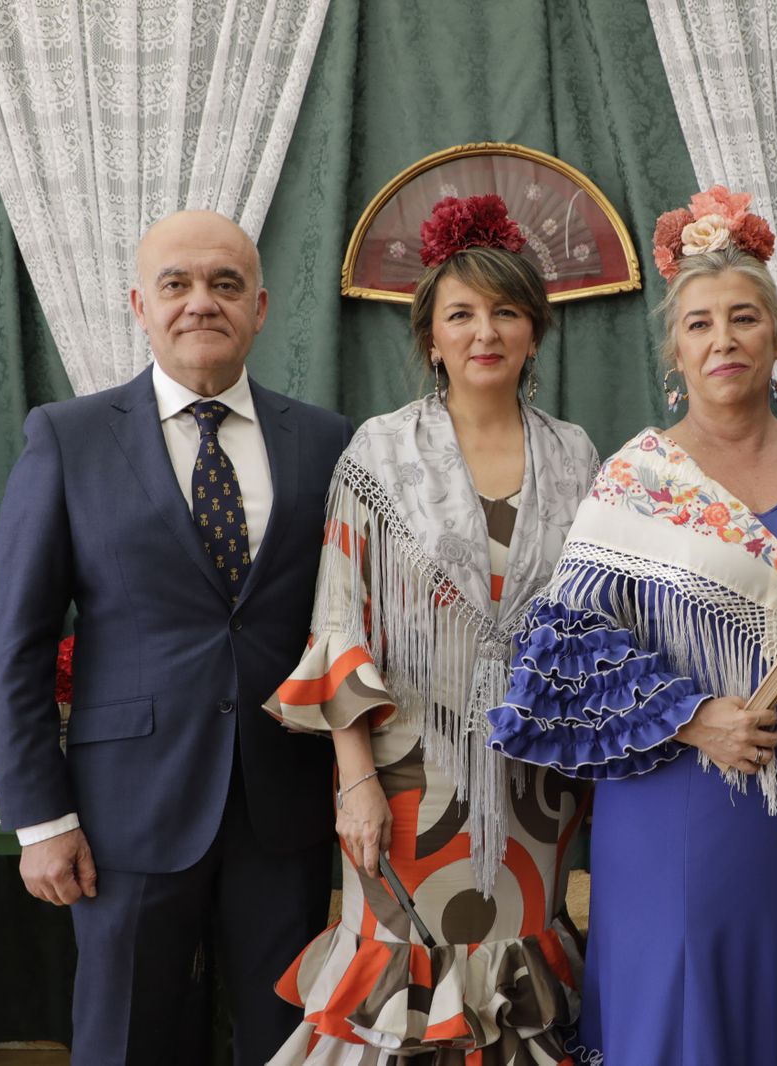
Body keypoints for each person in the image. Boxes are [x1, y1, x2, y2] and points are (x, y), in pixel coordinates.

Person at [488, 187, 777, 1065]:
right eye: (698, 324)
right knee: (685, 1016)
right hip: (677, 804)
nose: (722, 339)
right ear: (675, 354)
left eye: (743, 318)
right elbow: (558, 656)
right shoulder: (635, 479)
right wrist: (695, 716)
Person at [0, 210, 355, 1065]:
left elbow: (347, 625)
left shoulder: (327, 442)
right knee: (125, 1040)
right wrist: (40, 819)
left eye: (225, 284)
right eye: (176, 284)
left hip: (284, 807)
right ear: (138, 306)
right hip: (124, 815)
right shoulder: (67, 438)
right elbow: (17, 643)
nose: (201, 303)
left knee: (288, 1042)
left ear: (260, 307)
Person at [263, 194, 598, 1065]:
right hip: (406, 775)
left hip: (537, 782)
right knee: (404, 982)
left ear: (533, 333)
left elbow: (596, 623)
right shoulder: (378, 453)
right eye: (461, 314)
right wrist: (354, 784)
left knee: (520, 980)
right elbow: (341, 624)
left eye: (505, 312)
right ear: (432, 336)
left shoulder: (577, 456)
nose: (483, 331)